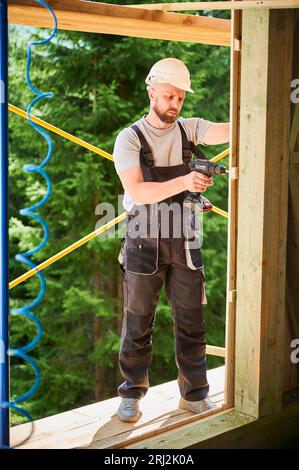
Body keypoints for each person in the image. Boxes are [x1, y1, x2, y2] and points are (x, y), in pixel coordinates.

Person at [113, 58, 230, 422]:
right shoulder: (130, 138)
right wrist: (184, 183)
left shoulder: (189, 129)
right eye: (168, 96)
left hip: (185, 239)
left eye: (179, 97)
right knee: (138, 322)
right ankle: (131, 394)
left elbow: (223, 131)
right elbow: (137, 190)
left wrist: (252, 116)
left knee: (192, 320)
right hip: (143, 240)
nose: (174, 104)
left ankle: (194, 395)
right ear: (152, 93)